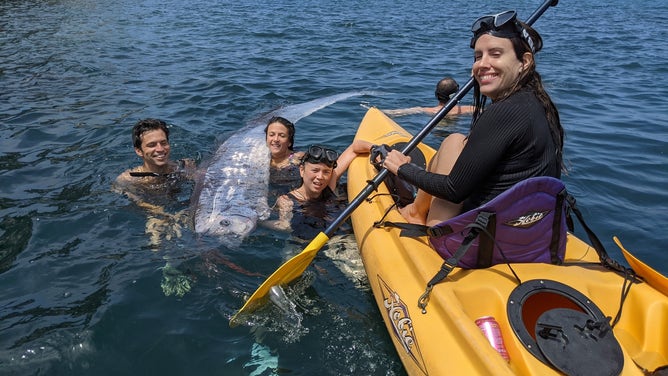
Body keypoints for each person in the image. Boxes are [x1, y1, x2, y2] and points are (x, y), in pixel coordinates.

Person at [381, 10, 564, 227]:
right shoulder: (537, 103)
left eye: (495, 54)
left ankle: (416, 214)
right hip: (528, 233)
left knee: (452, 141)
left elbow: (453, 190)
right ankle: (416, 211)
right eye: (478, 56)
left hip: (480, 244)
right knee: (456, 140)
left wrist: (402, 168)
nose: (481, 64)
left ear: (524, 61)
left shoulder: (504, 112)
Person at [113, 118, 198, 245]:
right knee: (156, 240)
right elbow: (137, 201)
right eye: (152, 145)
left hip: (183, 208)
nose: (160, 149)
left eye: (163, 143)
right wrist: (161, 214)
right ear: (138, 151)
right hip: (155, 213)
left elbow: (203, 184)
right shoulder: (129, 179)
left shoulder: (185, 166)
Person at [263, 140, 373, 238]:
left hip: (338, 240)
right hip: (302, 244)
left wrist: (375, 149)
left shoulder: (329, 185)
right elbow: (284, 226)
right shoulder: (287, 200)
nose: (320, 177)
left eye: (326, 172)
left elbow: (354, 148)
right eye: (315, 170)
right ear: (302, 170)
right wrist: (260, 222)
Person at [380, 77, 474, 117]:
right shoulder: (469, 109)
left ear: (436, 95)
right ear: (457, 95)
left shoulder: (427, 111)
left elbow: (395, 113)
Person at [264, 116, 304, 189]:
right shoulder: (260, 159)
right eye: (271, 135)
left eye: (282, 136)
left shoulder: (298, 158)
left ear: (289, 142)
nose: (276, 139)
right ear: (266, 138)